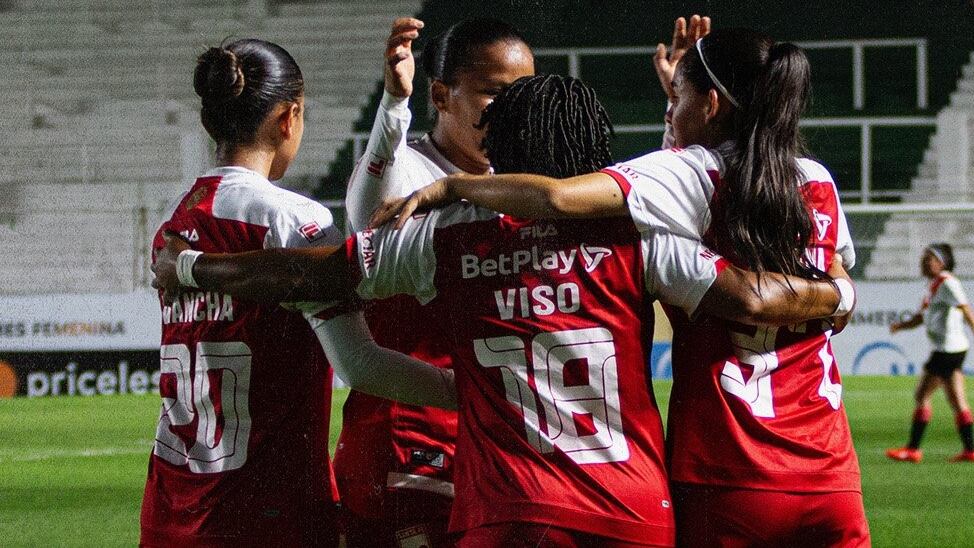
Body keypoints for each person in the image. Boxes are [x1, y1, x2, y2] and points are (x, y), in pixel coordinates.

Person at [152, 73, 853, 547]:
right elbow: (749, 295)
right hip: (630, 512)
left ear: (497, 155)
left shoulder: (447, 236)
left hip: (504, 515)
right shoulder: (637, 238)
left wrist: (195, 268)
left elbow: (318, 274)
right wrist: (837, 293)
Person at [373, 25, 870, 547]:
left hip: (729, 468)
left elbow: (562, 199)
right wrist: (843, 294)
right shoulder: (815, 180)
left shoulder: (687, 172)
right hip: (831, 470)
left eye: (676, 99)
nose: (668, 111)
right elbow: (833, 279)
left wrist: (455, 185)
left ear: (712, 105)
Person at [139, 38, 454, 548]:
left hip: (171, 512)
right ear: (289, 118)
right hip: (269, 512)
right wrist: (470, 392)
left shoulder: (176, 225)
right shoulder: (291, 220)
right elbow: (361, 365)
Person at [337, 17, 534, 547]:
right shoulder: (409, 171)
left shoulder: (519, 182)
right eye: (495, 93)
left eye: (524, 94)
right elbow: (362, 221)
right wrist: (392, 108)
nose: (512, 109)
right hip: (407, 434)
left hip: (488, 437)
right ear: (442, 95)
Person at [887, 243, 974, 463]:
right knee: (957, 399)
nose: (923, 263)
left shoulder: (948, 282)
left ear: (941, 262)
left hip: (947, 351)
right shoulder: (935, 285)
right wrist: (901, 326)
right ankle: (970, 450)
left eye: (929, 259)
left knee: (922, 395)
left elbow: (965, 309)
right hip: (952, 349)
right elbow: (921, 317)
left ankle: (913, 449)